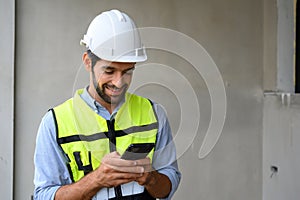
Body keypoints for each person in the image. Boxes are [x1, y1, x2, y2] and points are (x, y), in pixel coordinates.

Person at [34, 9, 181, 200]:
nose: (119, 82)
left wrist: (150, 178)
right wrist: (96, 179)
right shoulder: (55, 123)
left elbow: (168, 186)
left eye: (127, 71)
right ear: (88, 62)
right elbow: (43, 196)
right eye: (109, 71)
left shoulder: (154, 114)